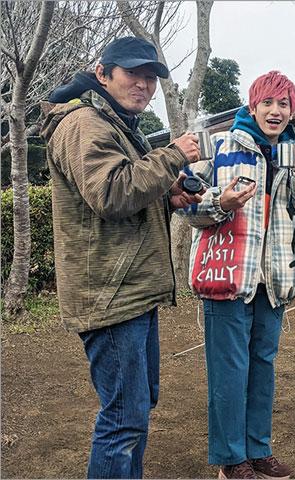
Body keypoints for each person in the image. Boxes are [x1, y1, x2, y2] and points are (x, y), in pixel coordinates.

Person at [41, 37, 202, 478]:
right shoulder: (84, 123)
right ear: (102, 73)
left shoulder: (114, 123)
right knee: (123, 418)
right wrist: (173, 156)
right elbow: (110, 194)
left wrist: (166, 197)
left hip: (130, 290)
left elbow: (120, 195)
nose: (145, 84)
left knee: (135, 407)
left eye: (151, 77)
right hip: (110, 296)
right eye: (134, 73)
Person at [177, 71, 295, 479]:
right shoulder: (224, 147)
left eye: (284, 105)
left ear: (292, 111)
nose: (276, 111)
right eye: (269, 103)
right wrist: (221, 203)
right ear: (253, 105)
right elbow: (185, 201)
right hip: (227, 275)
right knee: (229, 371)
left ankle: (258, 449)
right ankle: (230, 459)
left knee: (263, 366)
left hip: (274, 279)